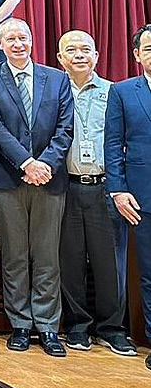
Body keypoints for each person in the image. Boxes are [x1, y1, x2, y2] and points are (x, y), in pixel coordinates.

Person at [0, 17, 73, 357]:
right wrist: (26, 163)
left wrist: (45, 164)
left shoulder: (57, 78)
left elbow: (65, 128)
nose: (18, 44)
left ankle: (47, 326)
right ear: (0, 44)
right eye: (11, 39)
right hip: (8, 178)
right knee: (15, 255)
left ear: (32, 41)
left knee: (47, 256)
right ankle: (20, 324)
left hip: (50, 178)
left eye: (24, 38)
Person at [54, 30, 134, 355]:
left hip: (106, 187)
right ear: (60, 58)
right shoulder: (54, 91)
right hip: (67, 187)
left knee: (110, 262)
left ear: (97, 56)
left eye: (86, 49)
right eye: (71, 50)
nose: (79, 55)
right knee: (70, 260)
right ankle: (77, 327)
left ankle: (112, 329)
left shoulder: (115, 92)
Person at [104, 24, 151, 373]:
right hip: (142, 197)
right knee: (149, 275)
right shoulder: (122, 92)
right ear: (136, 55)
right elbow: (112, 145)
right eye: (148, 48)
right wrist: (118, 190)